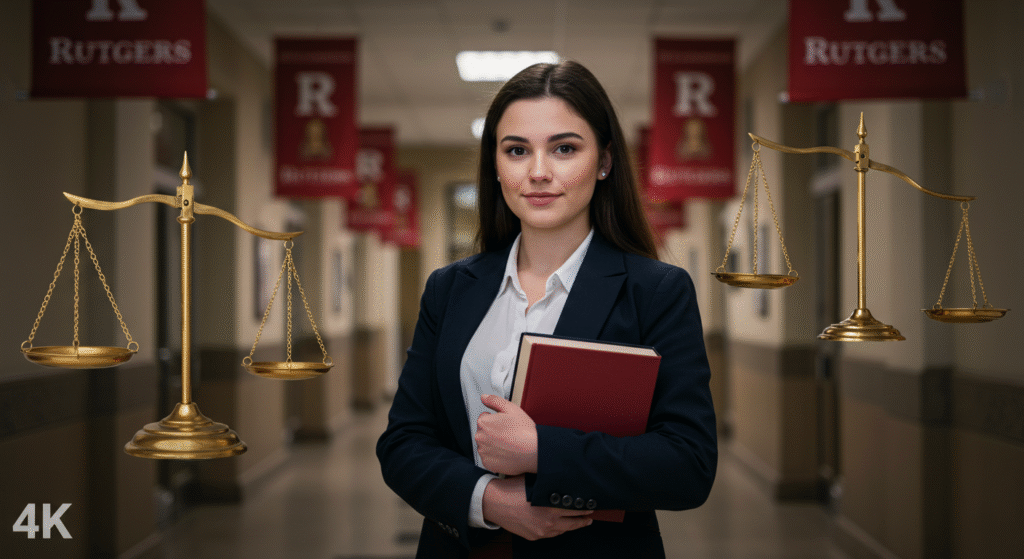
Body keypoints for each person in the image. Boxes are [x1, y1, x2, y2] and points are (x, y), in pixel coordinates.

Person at [376, 60, 717, 558]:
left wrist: (541, 449)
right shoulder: (450, 289)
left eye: (564, 148)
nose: (538, 173)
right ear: (495, 166)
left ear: (604, 162)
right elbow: (403, 444)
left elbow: (688, 465)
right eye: (517, 150)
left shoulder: (656, 292)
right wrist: (489, 500)